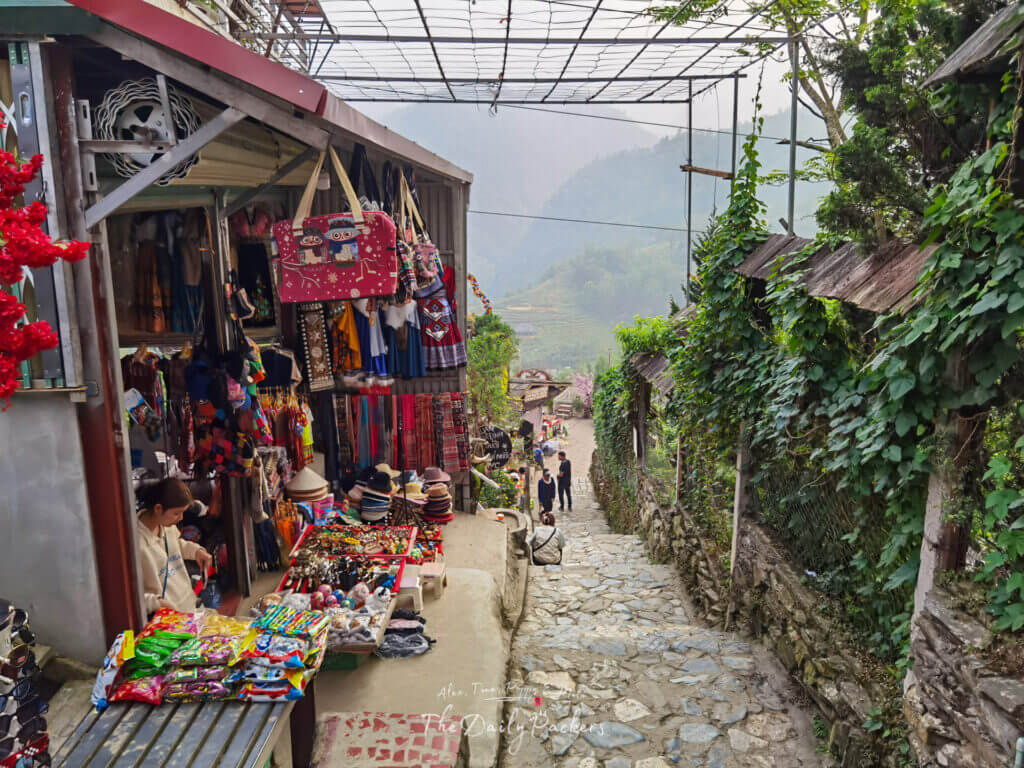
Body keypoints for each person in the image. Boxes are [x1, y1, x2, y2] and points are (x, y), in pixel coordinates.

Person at [136, 479, 213, 615]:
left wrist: (196, 552)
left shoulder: (166, 525)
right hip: (168, 619)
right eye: (177, 513)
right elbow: (130, 594)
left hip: (188, 606)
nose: (181, 518)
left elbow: (176, 544)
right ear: (158, 509)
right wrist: (156, 603)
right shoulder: (136, 543)